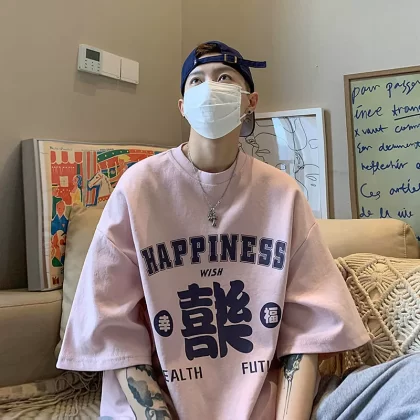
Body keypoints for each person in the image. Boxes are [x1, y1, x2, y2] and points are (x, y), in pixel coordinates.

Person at [57, 41, 369, 420]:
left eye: (224, 78)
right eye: (196, 80)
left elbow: (308, 327)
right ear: (182, 105)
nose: (210, 87)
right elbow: (111, 324)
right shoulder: (139, 187)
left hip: (263, 403)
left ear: (250, 101)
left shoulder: (283, 194)